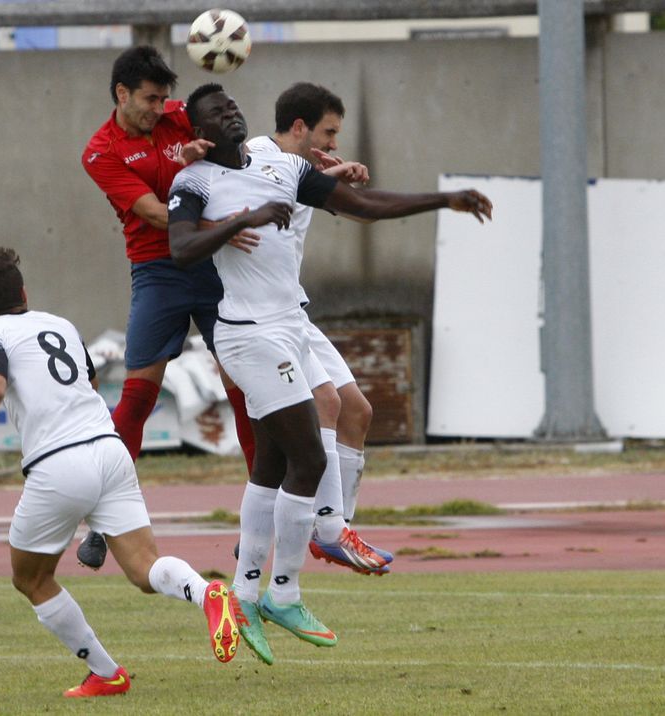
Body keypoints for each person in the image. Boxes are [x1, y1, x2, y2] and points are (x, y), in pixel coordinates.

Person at [167, 83, 492, 664]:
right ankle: (285, 591)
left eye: (232, 105)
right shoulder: (194, 182)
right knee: (310, 457)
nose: (231, 113)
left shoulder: (286, 167)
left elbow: (362, 205)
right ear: (200, 132)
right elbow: (181, 247)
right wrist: (242, 220)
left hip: (291, 324)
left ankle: (243, 594)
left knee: (270, 464)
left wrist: (443, 201)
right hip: (248, 334)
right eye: (216, 112)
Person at [0, 247, 240, 698]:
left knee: (31, 578)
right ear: (24, 292)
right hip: (109, 449)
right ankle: (206, 592)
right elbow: (91, 382)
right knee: (144, 569)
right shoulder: (59, 324)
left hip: (60, 464)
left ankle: (106, 673)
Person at [79, 45, 257, 570]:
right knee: (136, 397)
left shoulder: (182, 116)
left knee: (244, 387)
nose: (161, 108)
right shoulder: (100, 151)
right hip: (158, 270)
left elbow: (244, 146)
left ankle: (259, 520)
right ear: (121, 94)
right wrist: (224, 226)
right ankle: (103, 522)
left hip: (213, 265)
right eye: (150, 99)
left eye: (165, 98)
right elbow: (157, 214)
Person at [245, 82, 391, 576]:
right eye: (328, 133)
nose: (334, 143)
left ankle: (339, 527)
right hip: (257, 318)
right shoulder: (256, 153)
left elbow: (357, 212)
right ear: (300, 127)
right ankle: (320, 529)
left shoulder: (304, 168)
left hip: (292, 310)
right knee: (323, 407)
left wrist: (340, 180)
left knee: (358, 410)